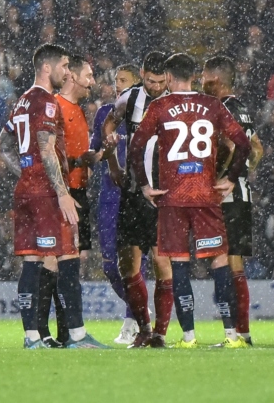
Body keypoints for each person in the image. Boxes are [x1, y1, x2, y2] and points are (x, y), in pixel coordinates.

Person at [129, 53, 251, 348]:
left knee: (180, 265)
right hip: (206, 196)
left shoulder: (159, 106)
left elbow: (135, 147)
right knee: (220, 263)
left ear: (169, 78)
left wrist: (145, 186)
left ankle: (188, 337)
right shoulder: (213, 105)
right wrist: (230, 178)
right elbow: (243, 143)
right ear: (194, 77)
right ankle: (231, 335)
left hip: (173, 198)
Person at [0, 44, 108, 349]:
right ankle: (77, 335)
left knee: (32, 263)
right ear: (47, 67)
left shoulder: (21, 101)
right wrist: (62, 194)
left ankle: (32, 336)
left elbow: (1, 146)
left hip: (26, 191)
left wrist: (24, 172)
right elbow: (46, 148)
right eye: (64, 66)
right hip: (46, 192)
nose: (66, 72)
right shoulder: (46, 101)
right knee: (67, 256)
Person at [101, 52, 174, 348]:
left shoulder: (177, 102)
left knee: (162, 262)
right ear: (142, 74)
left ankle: (160, 333)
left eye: (160, 82)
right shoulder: (129, 99)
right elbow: (108, 126)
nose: (156, 87)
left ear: (168, 78)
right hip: (133, 192)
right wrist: (114, 165)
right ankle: (143, 327)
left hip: (164, 194)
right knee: (127, 264)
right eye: (150, 81)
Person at [36, 54, 100, 347]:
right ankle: (49, 332)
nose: (93, 82)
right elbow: (46, 151)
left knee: (67, 263)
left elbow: (76, 156)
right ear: (72, 76)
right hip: (63, 193)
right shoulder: (55, 107)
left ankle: (61, 334)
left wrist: (101, 155)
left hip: (78, 191)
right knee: (57, 261)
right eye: (89, 75)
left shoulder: (79, 110)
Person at [202, 56, 265, 346]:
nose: (201, 81)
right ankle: (243, 333)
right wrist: (242, 174)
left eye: (204, 76)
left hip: (226, 197)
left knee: (225, 263)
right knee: (235, 263)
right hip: (242, 195)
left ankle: (235, 333)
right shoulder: (243, 109)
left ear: (217, 79)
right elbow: (256, 149)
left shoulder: (222, 108)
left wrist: (223, 177)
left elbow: (229, 147)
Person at [91, 64, 144, 344]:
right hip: (109, 198)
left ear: (136, 84)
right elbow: (94, 149)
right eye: (115, 81)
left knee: (135, 263)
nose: (117, 85)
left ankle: (132, 321)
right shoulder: (104, 114)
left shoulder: (144, 112)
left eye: (123, 80)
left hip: (136, 196)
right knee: (111, 266)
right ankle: (142, 308)